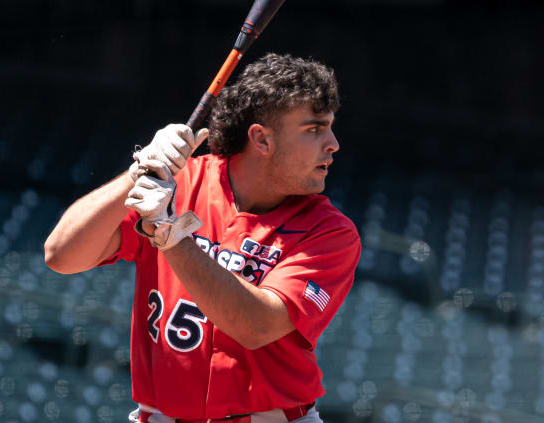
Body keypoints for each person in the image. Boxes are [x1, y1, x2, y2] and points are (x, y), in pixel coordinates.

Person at [44, 53, 361, 423]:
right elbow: (60, 254)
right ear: (261, 139)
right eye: (314, 129)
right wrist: (139, 170)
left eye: (330, 127)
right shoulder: (179, 179)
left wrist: (170, 235)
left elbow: (255, 325)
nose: (334, 143)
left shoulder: (331, 232)